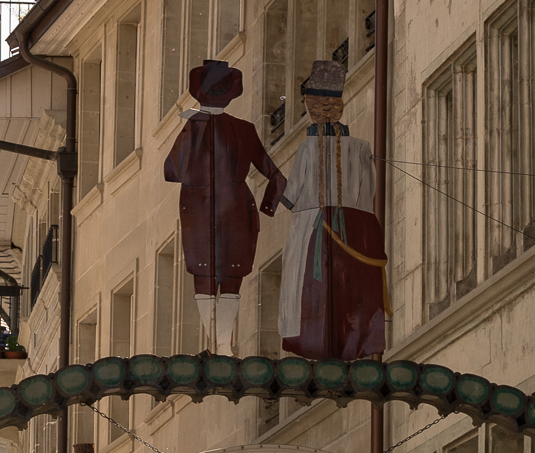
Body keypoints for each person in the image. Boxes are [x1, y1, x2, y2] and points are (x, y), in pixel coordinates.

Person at [164, 59, 287, 353]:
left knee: (204, 278)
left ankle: (218, 343)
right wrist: (266, 208)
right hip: (235, 207)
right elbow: (276, 176)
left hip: (200, 207)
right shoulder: (242, 128)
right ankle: (222, 344)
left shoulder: (193, 127)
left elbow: (171, 171)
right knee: (230, 279)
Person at [277, 59, 388, 360]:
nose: (318, 111)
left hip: (318, 227)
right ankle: (346, 343)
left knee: (321, 286)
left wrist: (272, 195)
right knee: (344, 287)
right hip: (354, 228)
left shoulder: (310, 149)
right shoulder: (361, 148)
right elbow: (371, 190)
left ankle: (327, 343)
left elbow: (288, 196)